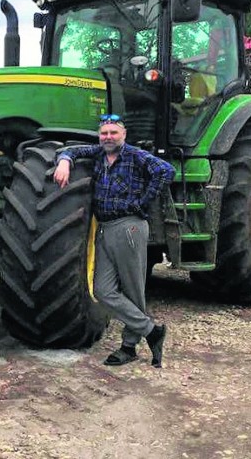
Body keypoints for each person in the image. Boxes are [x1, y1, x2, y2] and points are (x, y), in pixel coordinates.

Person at [54, 114, 175, 368]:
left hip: (128, 227)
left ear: (124, 135)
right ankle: (151, 331)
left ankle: (129, 347)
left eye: (113, 133)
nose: (108, 137)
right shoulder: (98, 154)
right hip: (105, 228)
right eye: (104, 133)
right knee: (102, 290)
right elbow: (72, 151)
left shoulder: (135, 156)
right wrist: (64, 161)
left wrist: (142, 202)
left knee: (133, 289)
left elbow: (166, 171)